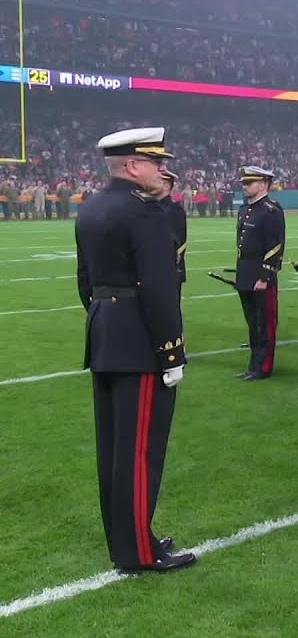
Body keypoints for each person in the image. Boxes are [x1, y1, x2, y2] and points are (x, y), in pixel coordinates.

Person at [75, 126, 195, 573]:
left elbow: (85, 281)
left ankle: (127, 543)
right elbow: (161, 291)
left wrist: (106, 319)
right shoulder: (144, 213)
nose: (162, 168)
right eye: (155, 162)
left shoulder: (91, 208)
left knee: (114, 451)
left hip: (105, 335)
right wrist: (171, 352)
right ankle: (140, 553)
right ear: (131, 165)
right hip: (141, 344)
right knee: (142, 452)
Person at [234, 165, 285, 380]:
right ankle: (253, 365)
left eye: (249, 182)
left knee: (264, 323)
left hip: (260, 275)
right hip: (245, 272)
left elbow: (275, 246)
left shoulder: (271, 210)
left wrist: (265, 276)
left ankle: (263, 366)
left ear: (263, 184)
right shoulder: (245, 210)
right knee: (252, 323)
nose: (245, 186)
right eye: (244, 183)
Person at [156, 170, 187, 300]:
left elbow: (180, 243)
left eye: (158, 181)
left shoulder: (174, 210)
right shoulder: (150, 207)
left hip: (169, 270)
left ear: (167, 186)